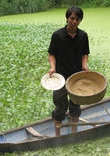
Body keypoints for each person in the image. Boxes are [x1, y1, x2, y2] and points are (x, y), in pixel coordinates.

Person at [47, 6, 90, 136]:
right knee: (60, 107)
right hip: (60, 77)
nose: (74, 21)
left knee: (75, 105)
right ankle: (58, 135)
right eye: (72, 18)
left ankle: (74, 133)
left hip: (76, 77)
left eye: (77, 19)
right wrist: (53, 67)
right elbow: (51, 54)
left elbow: (85, 53)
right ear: (67, 19)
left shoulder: (83, 36)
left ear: (80, 20)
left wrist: (84, 65)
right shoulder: (58, 35)